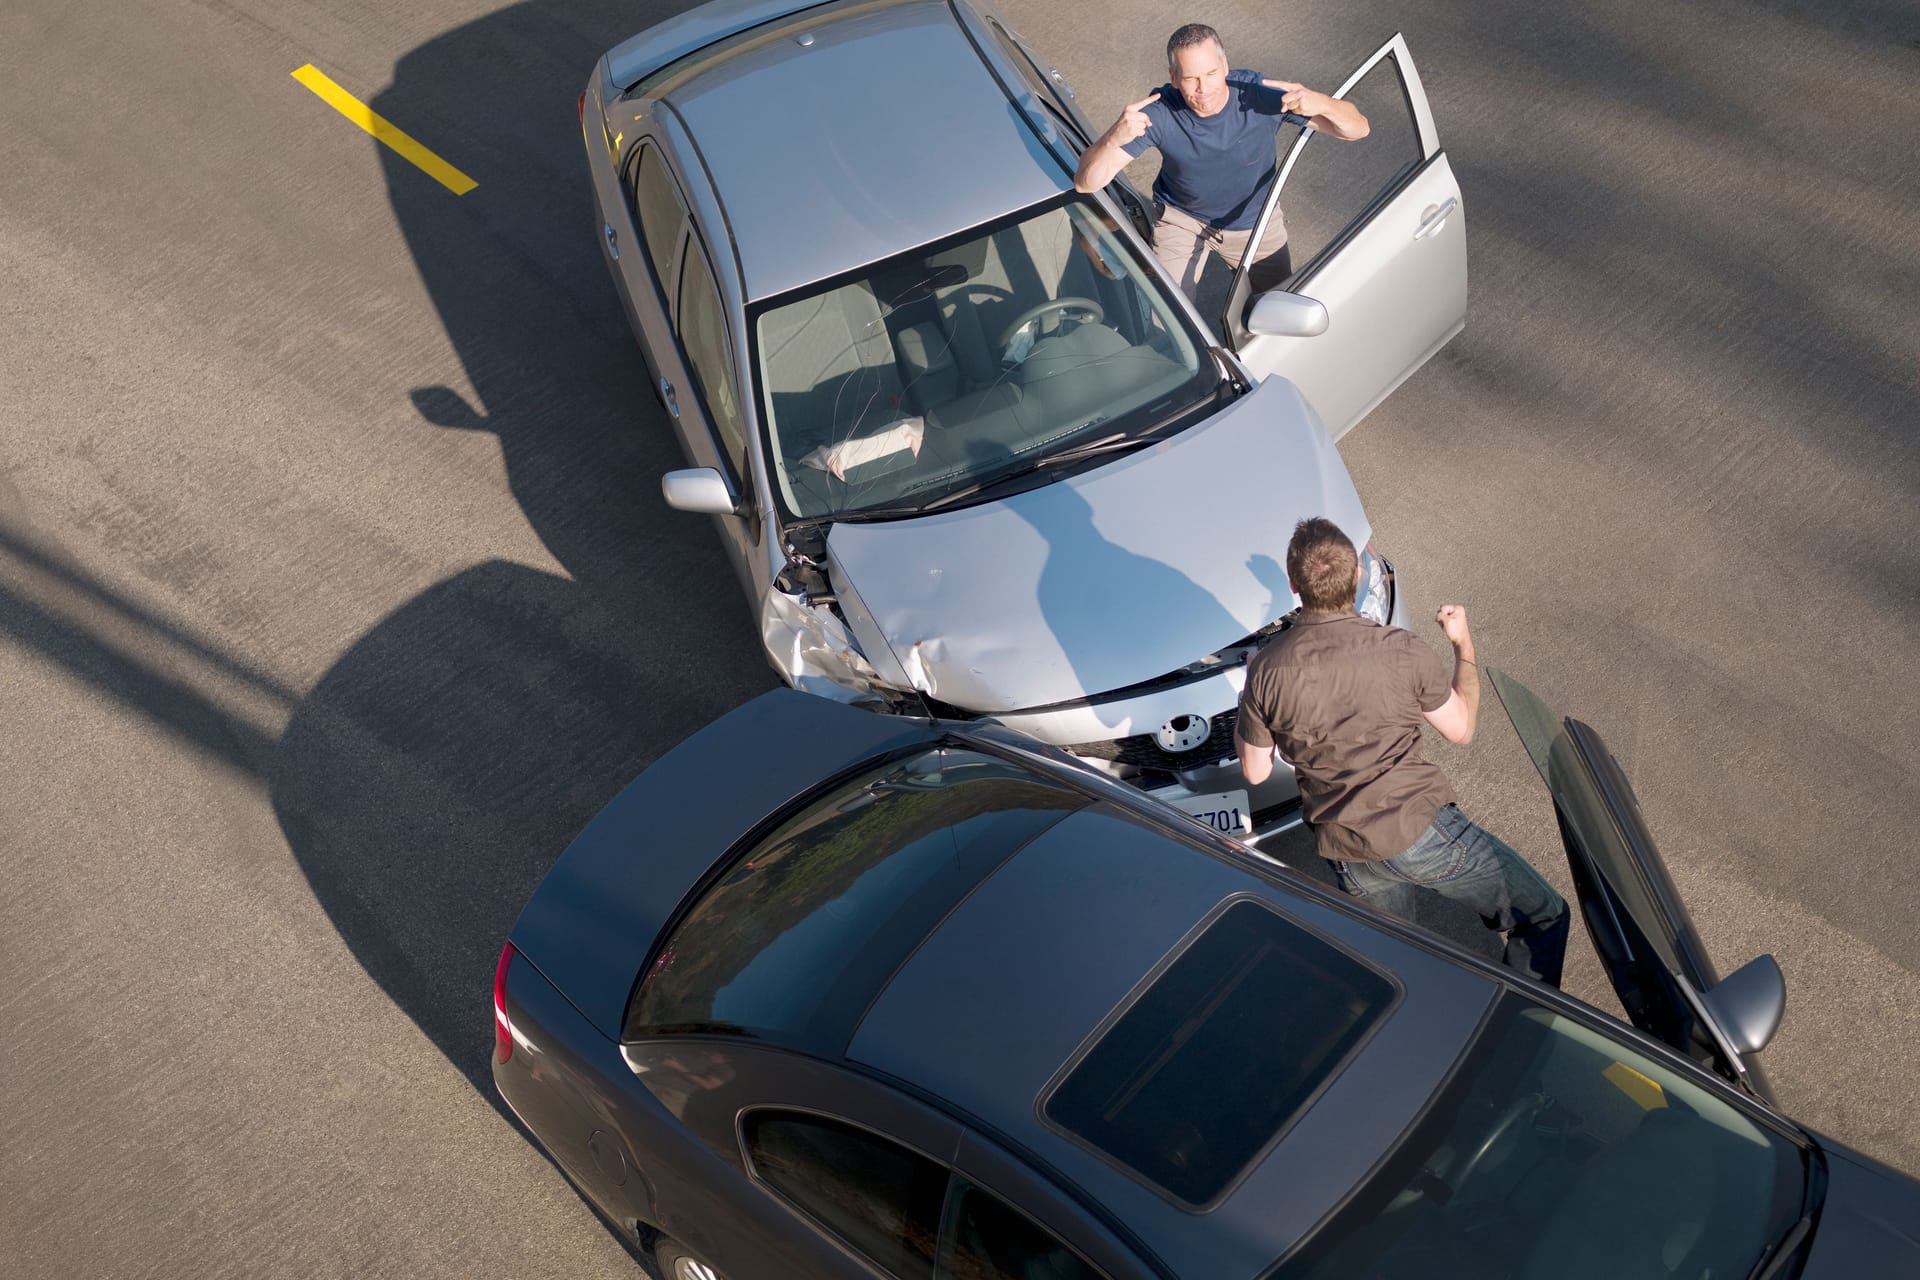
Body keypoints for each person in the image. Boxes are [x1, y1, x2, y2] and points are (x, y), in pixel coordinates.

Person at [1235, 518, 1570, 986]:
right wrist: (1461, 644)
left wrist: (1254, 685)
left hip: (1347, 848)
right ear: (1356, 578)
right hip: (1421, 831)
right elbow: (1461, 728)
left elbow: (1254, 771)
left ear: (1294, 586)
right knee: (1544, 914)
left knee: (1394, 963)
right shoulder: (1401, 650)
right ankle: (1522, 1019)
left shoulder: (1267, 670)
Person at [1073, 23, 1369, 301]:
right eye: (1190, 78)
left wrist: (1324, 104)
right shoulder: (1158, 113)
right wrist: (1113, 137)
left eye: (1212, 73)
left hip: (1254, 221)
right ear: (1174, 78)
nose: (1203, 88)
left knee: (1278, 305)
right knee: (1170, 315)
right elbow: (1086, 183)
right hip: (1183, 220)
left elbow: (1358, 130)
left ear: (1225, 66)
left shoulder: (1259, 95)